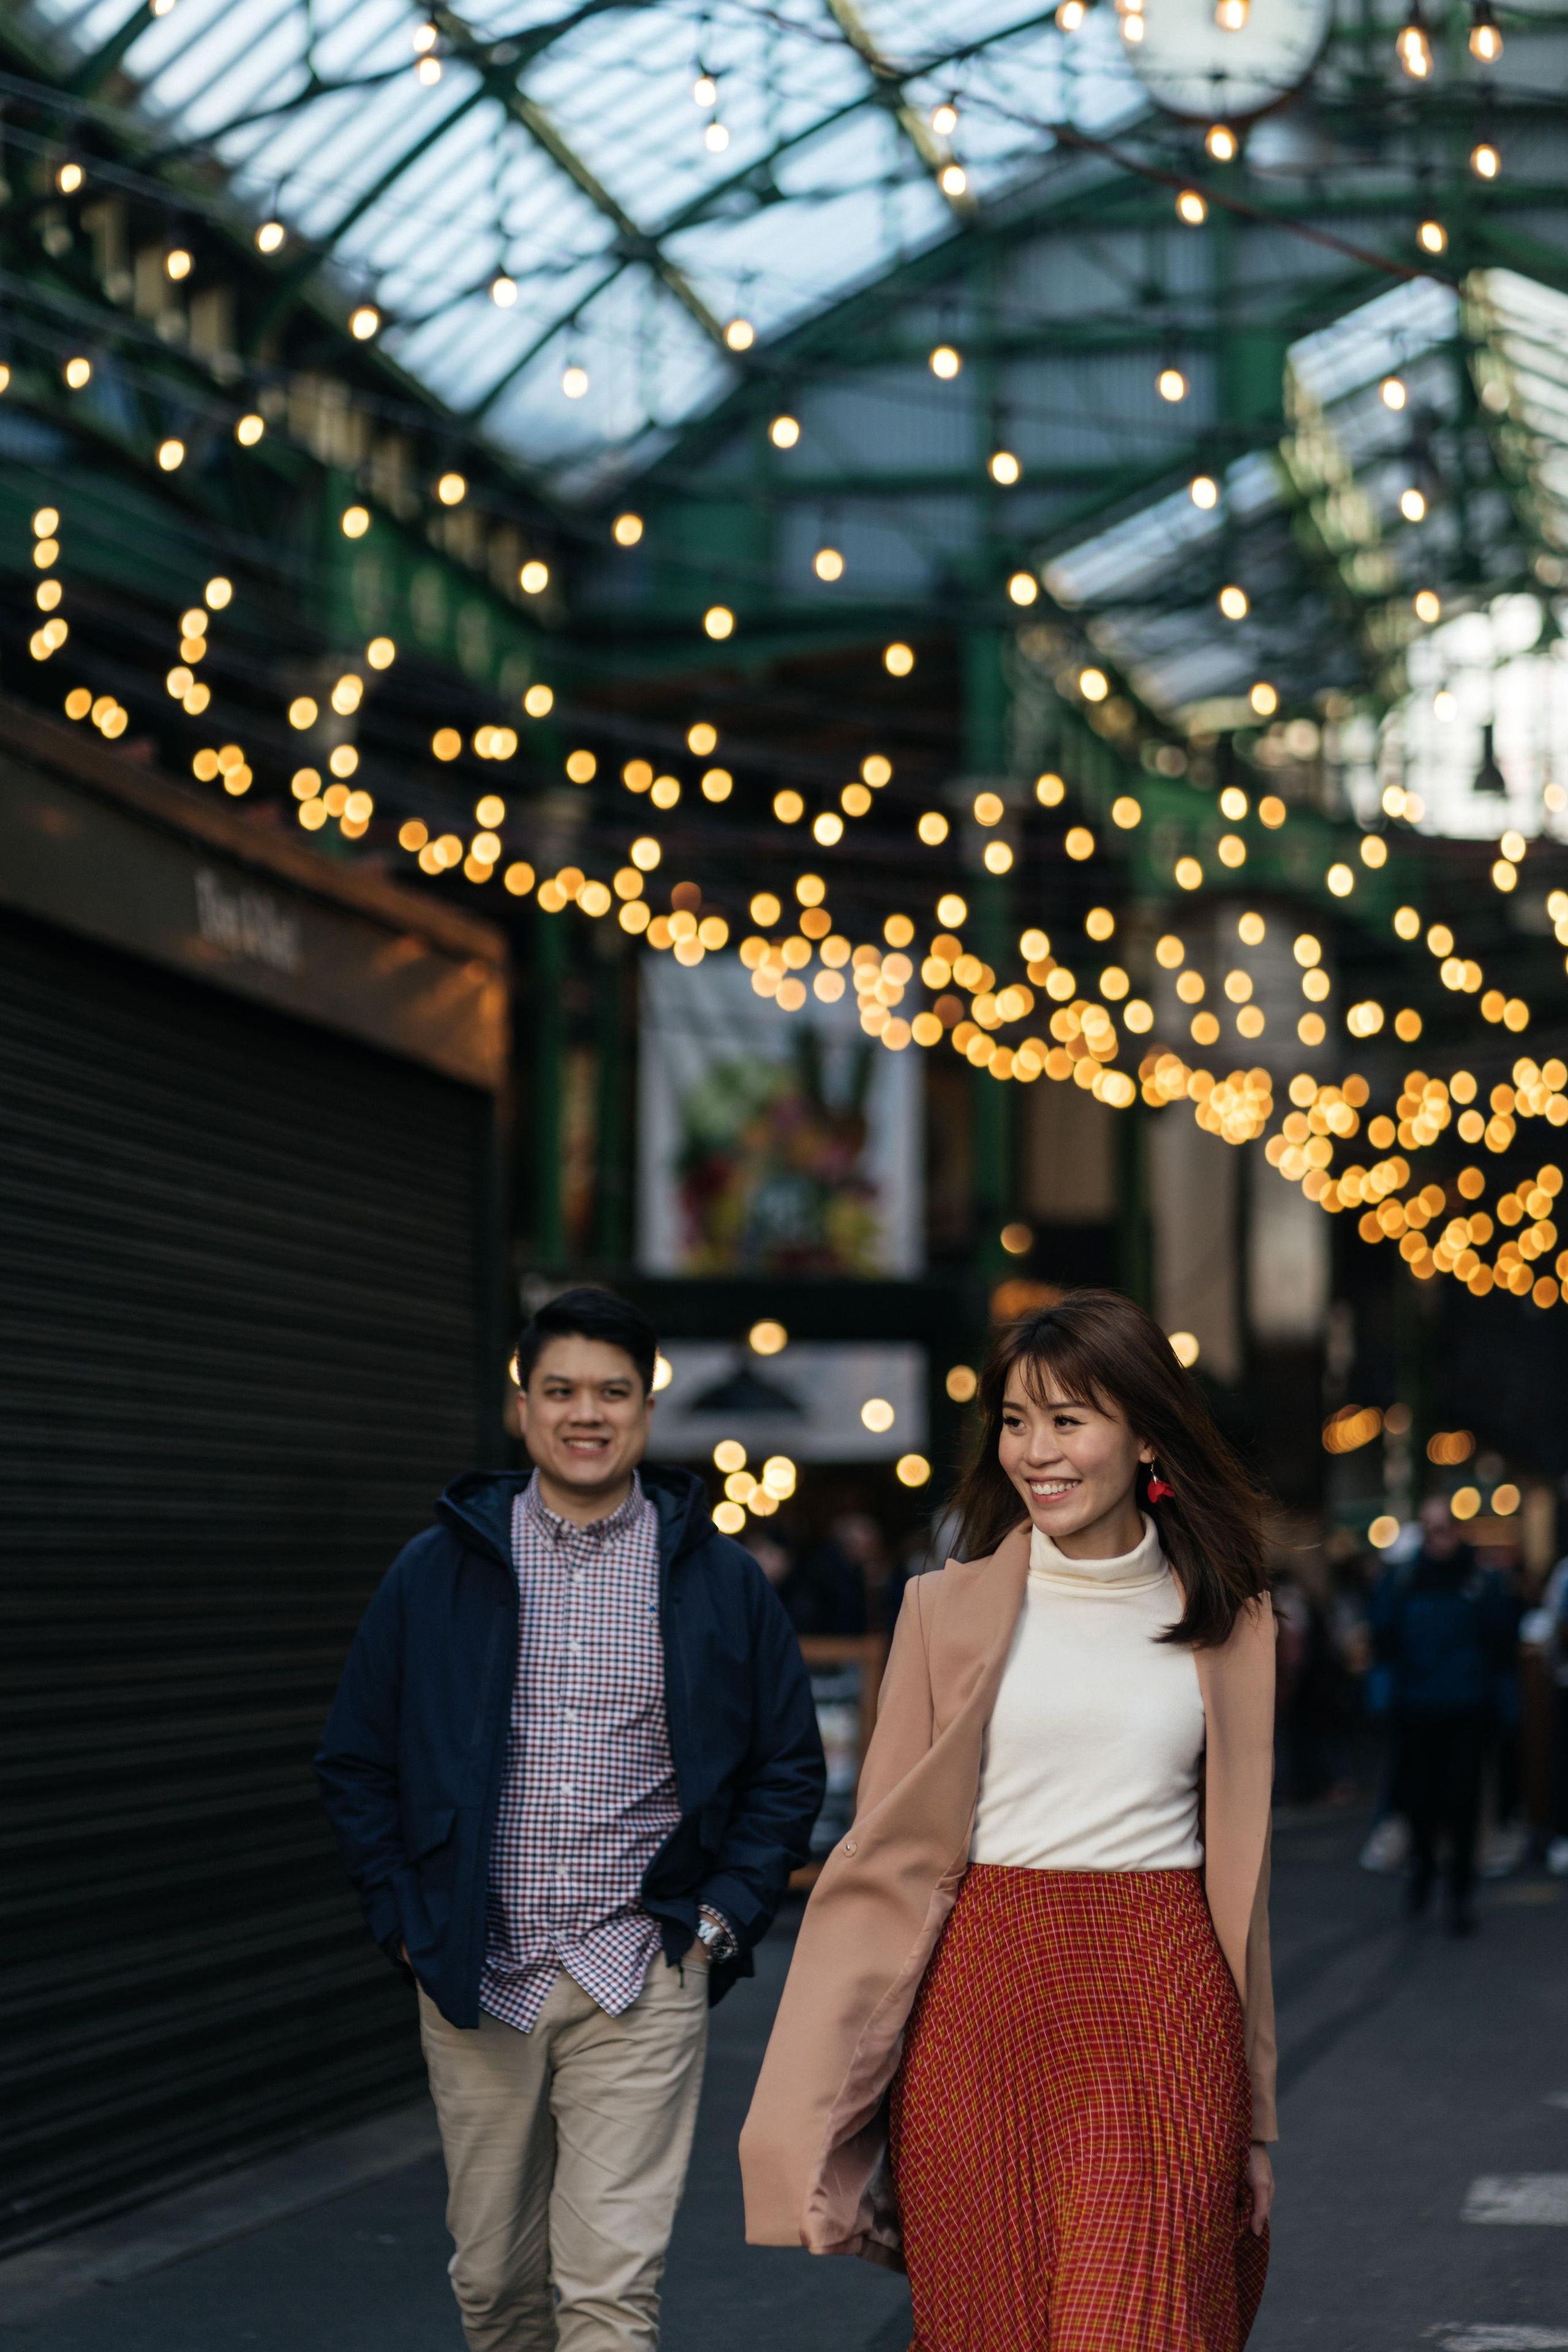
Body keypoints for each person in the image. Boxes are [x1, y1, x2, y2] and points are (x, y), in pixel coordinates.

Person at [740, 1289, 1276, 2352]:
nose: (1038, 1451)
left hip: (1162, 2002)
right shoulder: (942, 1611)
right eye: (1016, 1421)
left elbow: (1247, 1891)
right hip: (980, 2011)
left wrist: (1257, 2118)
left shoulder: (1233, 1623)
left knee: (1132, 2325)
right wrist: (823, 2086)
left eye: (1069, 1419)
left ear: (1145, 1433)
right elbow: (885, 1856)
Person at [316, 1286, 825, 2352]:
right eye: (560, 1391)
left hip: (639, 1972)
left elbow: (787, 1768)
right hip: (477, 1969)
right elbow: (356, 1760)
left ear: (647, 1406)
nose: (584, 1414)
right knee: (496, 2284)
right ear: (523, 1406)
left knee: (608, 2299)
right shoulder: (436, 1571)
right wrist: (406, 1919)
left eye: (611, 1391)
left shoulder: (719, 1584)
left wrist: (719, 1924)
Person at [1371, 1492, 1518, 1934]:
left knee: (1463, 1804)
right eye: (1434, 1529)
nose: (1442, 1538)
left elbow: (1500, 1646)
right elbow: (1384, 1640)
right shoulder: (1405, 1579)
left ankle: (1458, 1893)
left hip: (1466, 1710)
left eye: (1447, 1528)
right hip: (1418, 1710)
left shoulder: (1480, 1581)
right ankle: (1424, 1869)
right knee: (1419, 1801)